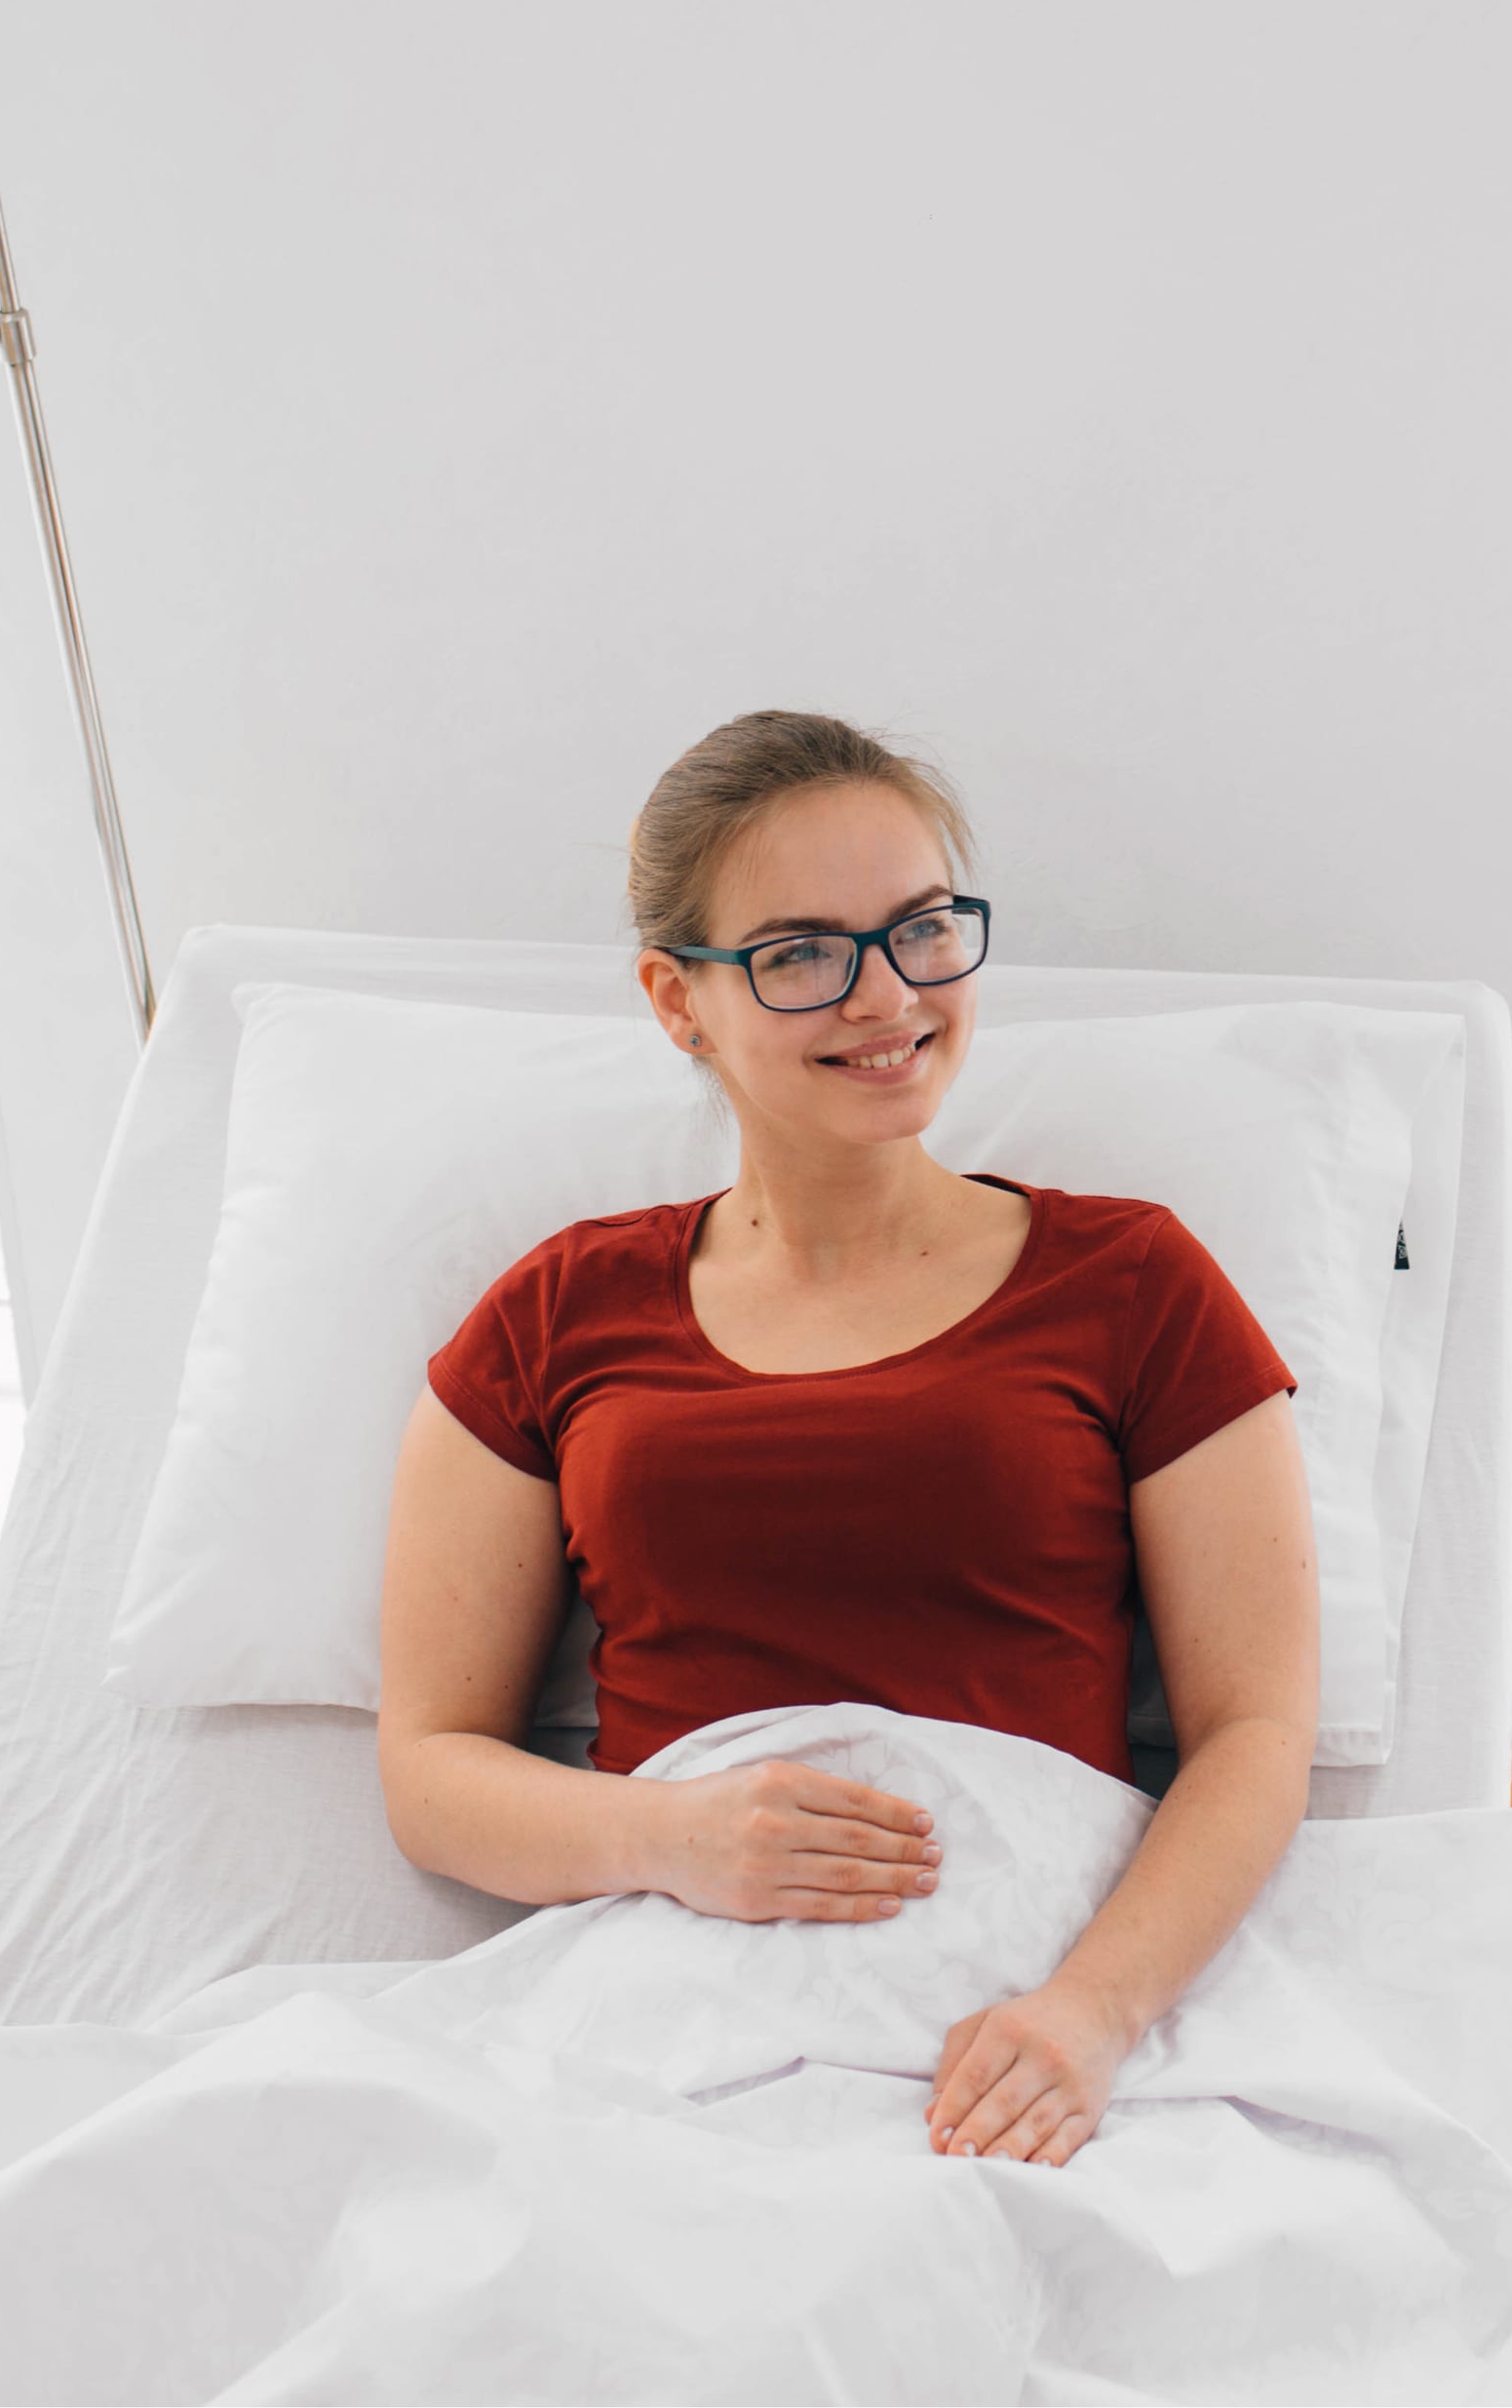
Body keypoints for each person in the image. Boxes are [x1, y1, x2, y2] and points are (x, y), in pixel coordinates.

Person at [375, 710, 1319, 2172]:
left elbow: (1257, 1732)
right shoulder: (558, 1313)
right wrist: (671, 1839)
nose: (890, 998)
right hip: (675, 1979)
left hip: (1026, 1990)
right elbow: (429, 1770)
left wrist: (1088, 2014)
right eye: (802, 954)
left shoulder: (1134, 1284)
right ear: (678, 1003)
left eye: (926, 930)